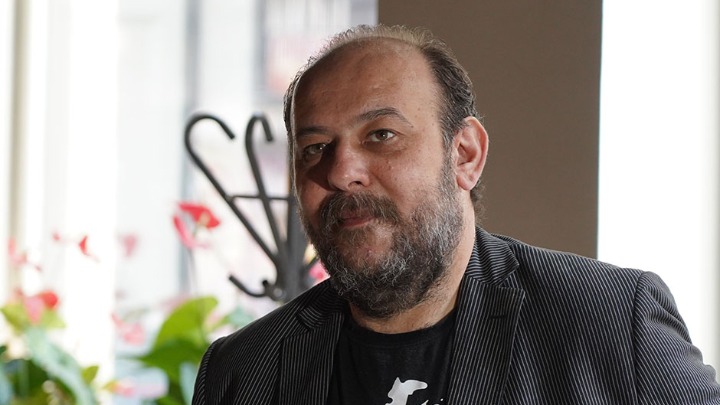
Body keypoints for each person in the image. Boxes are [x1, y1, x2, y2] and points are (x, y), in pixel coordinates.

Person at [192, 24, 720, 404]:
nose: (341, 170)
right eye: (314, 148)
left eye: (382, 135)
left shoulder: (611, 324)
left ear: (464, 154)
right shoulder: (243, 372)